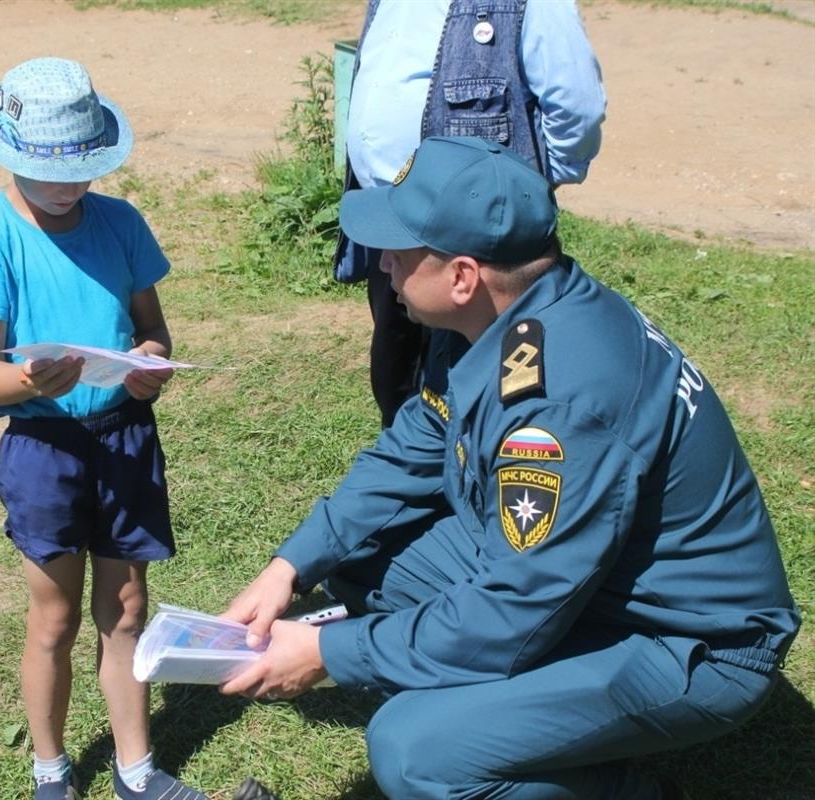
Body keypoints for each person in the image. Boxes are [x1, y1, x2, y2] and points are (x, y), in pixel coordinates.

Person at [221, 136, 801, 799]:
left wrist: (330, 654)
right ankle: (534, 722)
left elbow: (516, 610)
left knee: (411, 749)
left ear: (462, 275)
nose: (382, 264)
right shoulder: (503, 318)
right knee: (357, 553)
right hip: (594, 582)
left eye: (400, 252)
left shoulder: (563, 403)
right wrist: (290, 568)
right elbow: (413, 445)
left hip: (686, 642)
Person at [0, 56, 212, 800]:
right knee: (53, 618)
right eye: (48, 171)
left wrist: (149, 365)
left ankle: (135, 769)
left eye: (82, 171)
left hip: (124, 437)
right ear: (9, 157)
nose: (67, 186)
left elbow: (151, 329)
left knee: (126, 608)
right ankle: (51, 769)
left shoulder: (121, 223)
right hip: (44, 450)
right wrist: (29, 379)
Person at [335, 0, 607, 427]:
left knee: (483, 383)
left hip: (469, 235)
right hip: (391, 222)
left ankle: (477, 474)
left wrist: (527, 190)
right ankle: (411, 467)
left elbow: (576, 107)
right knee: (397, 376)